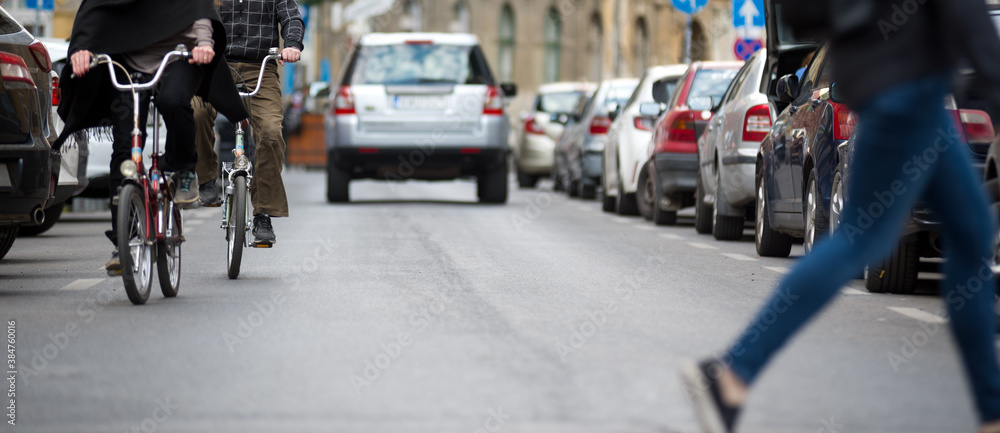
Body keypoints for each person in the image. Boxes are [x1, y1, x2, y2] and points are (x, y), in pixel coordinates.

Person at [681, 1, 1000, 432]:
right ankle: (734, 374)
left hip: (890, 83)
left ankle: (990, 413)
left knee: (969, 232)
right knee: (861, 240)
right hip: (908, 87)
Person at [53, 0, 249, 272]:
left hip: (179, 57)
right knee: (124, 149)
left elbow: (199, 10)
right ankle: (124, 241)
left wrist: (204, 43)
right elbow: (94, 11)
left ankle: (184, 168)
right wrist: (81, 48)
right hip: (130, 61)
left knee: (173, 101)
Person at [192, 0, 304, 246]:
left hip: (260, 67)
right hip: (215, 64)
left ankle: (263, 214)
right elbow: (193, 15)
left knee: (271, 132)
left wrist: (292, 44)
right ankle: (206, 179)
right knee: (196, 112)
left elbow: (291, 18)